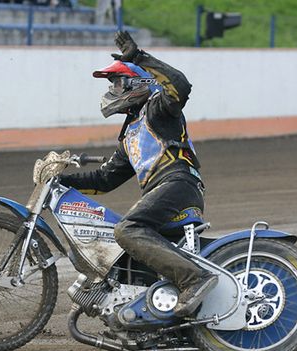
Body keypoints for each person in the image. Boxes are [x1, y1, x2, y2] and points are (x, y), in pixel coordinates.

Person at [59, 31, 217, 317]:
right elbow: (104, 180)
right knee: (122, 242)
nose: (113, 90)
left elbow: (181, 86)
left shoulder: (159, 109)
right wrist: (60, 180)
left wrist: (140, 58)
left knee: (127, 229)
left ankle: (195, 279)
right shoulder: (130, 134)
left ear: (137, 83)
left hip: (178, 184)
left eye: (118, 83)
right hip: (166, 191)